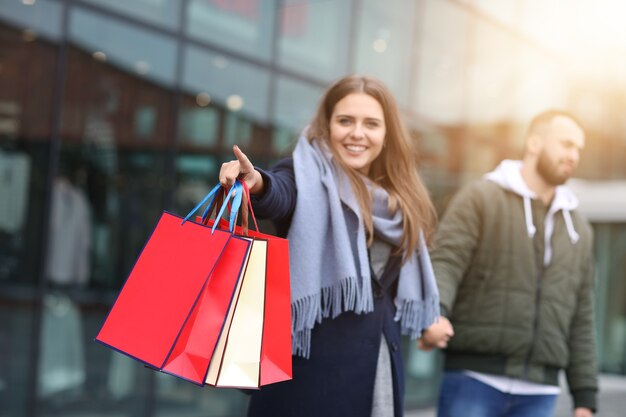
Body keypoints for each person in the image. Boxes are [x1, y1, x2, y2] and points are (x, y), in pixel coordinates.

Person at [218, 74, 439, 417]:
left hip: (378, 370)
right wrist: (258, 183)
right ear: (327, 125)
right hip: (309, 380)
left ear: (386, 134)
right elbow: (280, 194)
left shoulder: (399, 196)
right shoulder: (303, 174)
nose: (357, 133)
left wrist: (433, 319)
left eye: (371, 123)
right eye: (345, 121)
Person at [419, 110, 598, 417]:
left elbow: (582, 313)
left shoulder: (578, 227)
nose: (573, 155)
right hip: (475, 379)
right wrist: (435, 313)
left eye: (578, 148)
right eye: (566, 144)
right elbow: (447, 260)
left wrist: (585, 396)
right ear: (534, 143)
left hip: (541, 393)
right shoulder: (481, 197)